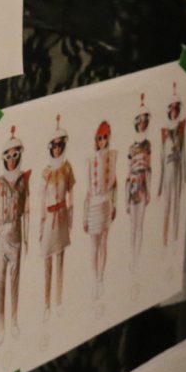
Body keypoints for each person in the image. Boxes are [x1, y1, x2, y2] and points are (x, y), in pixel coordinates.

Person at [0, 127, 30, 344]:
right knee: (0, 282)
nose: (12, 160)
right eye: (8, 156)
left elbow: (27, 211)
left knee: (15, 280)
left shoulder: (23, 182)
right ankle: (1, 324)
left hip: (16, 235)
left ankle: (14, 320)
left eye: (15, 155)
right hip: (1, 237)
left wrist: (27, 238)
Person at [38, 117, 76, 315]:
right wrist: (41, 225)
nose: (58, 149)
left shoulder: (67, 168)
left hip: (62, 217)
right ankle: (46, 304)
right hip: (49, 218)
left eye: (61, 145)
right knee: (47, 261)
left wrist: (71, 216)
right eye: (55, 146)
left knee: (61, 258)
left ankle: (59, 301)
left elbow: (71, 192)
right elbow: (42, 199)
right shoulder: (46, 172)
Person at [83, 120, 117, 299]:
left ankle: (100, 279)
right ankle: (94, 280)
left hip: (105, 203)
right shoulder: (90, 160)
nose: (102, 141)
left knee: (103, 244)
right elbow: (88, 191)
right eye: (99, 138)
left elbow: (114, 184)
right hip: (93, 205)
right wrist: (84, 216)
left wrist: (114, 204)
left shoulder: (112, 157)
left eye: (105, 137)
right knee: (94, 247)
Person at [158, 84, 186, 247]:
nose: (175, 110)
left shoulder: (181, 127)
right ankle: (164, 240)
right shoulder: (164, 130)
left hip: (178, 167)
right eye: (173, 107)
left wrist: (185, 176)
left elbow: (184, 151)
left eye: (177, 107)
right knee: (167, 205)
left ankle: (175, 239)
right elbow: (161, 157)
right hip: (168, 168)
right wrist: (159, 185)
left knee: (177, 203)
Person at [127, 96, 153, 270]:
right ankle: (132, 258)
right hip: (132, 188)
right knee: (133, 226)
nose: (143, 124)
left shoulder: (148, 145)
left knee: (140, 225)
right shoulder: (131, 148)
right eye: (140, 121)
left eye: (145, 121)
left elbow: (149, 169)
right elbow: (128, 174)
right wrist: (126, 199)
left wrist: (149, 190)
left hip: (143, 187)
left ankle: (137, 258)